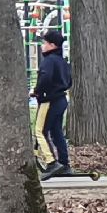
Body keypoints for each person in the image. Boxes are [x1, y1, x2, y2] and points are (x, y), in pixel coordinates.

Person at [32, 29, 74, 179]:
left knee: (40, 131)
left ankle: (51, 163)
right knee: (56, 133)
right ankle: (64, 164)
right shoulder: (63, 62)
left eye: (45, 43)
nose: (42, 46)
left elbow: (45, 78)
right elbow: (69, 81)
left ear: (52, 45)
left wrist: (37, 91)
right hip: (61, 99)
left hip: (49, 100)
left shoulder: (48, 61)